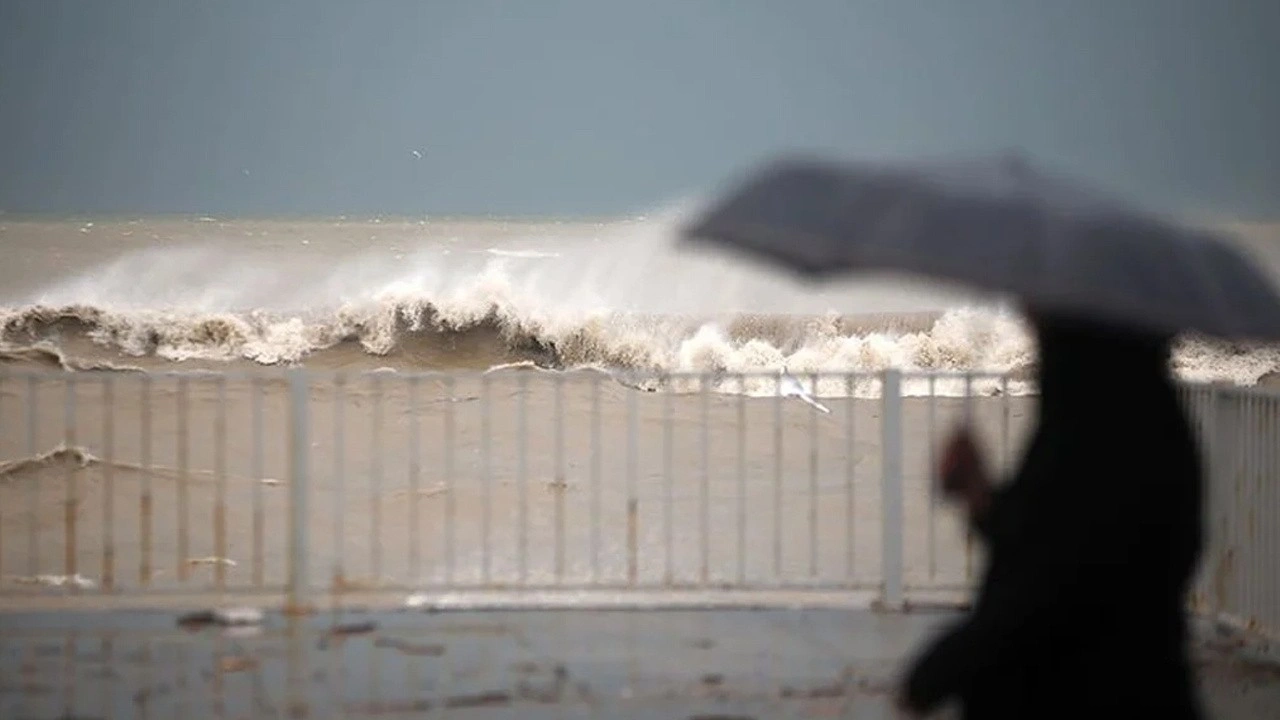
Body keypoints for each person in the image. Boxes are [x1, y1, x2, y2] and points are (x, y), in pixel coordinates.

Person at [895, 310, 1206, 719]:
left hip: (1083, 695)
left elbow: (1052, 586)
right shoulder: (1139, 420)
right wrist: (979, 493)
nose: (1031, 322)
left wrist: (939, 670)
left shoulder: (1099, 432)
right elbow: (1048, 532)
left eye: (1045, 318)